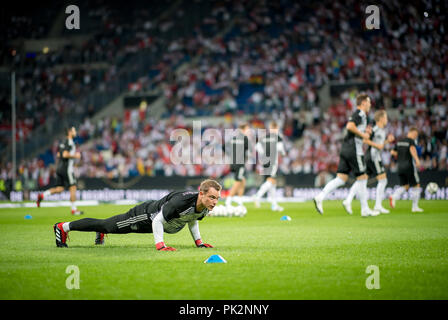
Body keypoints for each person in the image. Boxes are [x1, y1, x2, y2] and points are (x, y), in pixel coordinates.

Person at [53, 179, 221, 250]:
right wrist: (160, 245)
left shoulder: (205, 206)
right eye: (212, 197)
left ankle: (103, 231)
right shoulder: (180, 201)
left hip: (153, 224)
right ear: (201, 193)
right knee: (106, 224)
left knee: (111, 227)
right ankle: (63, 227)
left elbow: (192, 219)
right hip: (146, 215)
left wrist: (199, 243)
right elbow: (157, 220)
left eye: (217, 199)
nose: (214, 202)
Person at [313, 93, 378, 217]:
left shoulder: (359, 115)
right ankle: (364, 209)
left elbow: (356, 132)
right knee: (363, 177)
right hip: (354, 150)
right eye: (368, 102)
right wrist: (363, 134)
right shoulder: (360, 113)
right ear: (363, 103)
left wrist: (366, 134)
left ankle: (320, 196)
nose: (370, 104)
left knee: (341, 179)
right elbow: (350, 126)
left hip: (345, 149)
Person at [342, 110, 395, 214]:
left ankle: (348, 200)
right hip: (373, 157)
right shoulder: (374, 129)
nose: (387, 120)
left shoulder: (381, 130)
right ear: (381, 118)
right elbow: (365, 140)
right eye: (386, 117)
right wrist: (378, 145)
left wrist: (387, 141)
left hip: (372, 156)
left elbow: (379, 144)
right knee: (383, 180)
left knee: (363, 180)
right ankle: (378, 205)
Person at [37, 126, 83, 215]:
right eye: (74, 130)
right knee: (73, 187)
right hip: (67, 169)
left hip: (60, 168)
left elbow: (58, 154)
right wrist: (75, 156)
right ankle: (73, 210)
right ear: (69, 132)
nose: (75, 132)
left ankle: (42, 195)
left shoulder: (63, 143)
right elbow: (65, 154)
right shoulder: (70, 143)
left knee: (59, 189)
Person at [253, 121, 286, 211]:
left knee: (272, 182)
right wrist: (283, 153)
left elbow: (257, 147)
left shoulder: (265, 137)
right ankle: (257, 196)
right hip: (272, 161)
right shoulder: (278, 137)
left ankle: (274, 205)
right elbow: (280, 149)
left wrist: (263, 154)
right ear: (277, 128)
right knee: (271, 180)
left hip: (264, 160)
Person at [389, 127, 423, 212]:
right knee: (416, 185)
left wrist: (401, 155)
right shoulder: (411, 141)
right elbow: (412, 149)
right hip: (409, 166)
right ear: (412, 132)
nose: (415, 137)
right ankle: (415, 207)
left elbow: (392, 152)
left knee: (405, 186)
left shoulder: (399, 141)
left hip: (400, 167)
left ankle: (393, 196)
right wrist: (417, 160)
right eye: (415, 135)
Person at [225, 123, 250, 209]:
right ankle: (228, 200)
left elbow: (224, 147)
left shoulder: (234, 138)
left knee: (243, 180)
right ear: (244, 129)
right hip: (240, 163)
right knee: (237, 181)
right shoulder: (245, 138)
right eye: (247, 129)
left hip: (232, 162)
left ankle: (240, 201)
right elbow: (247, 151)